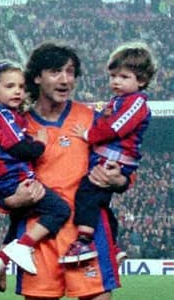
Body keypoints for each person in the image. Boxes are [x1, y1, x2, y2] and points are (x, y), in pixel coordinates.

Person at [4, 42, 129, 300]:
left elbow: (123, 168)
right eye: (56, 72)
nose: (65, 80)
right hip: (39, 234)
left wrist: (121, 180)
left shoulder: (92, 120)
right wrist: (7, 199)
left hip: (87, 232)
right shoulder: (17, 123)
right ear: (37, 77)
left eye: (71, 72)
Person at [0, 60, 71, 281]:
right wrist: (40, 144)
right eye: (9, 86)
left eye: (21, 87)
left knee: (19, 220)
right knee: (59, 210)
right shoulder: (2, 115)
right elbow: (19, 148)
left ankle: (0, 262)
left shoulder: (2, 115)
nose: (17, 91)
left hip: (2, 180)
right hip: (10, 178)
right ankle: (23, 246)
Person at [62, 42, 153, 265]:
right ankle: (114, 246)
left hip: (114, 158)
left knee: (87, 194)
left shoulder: (136, 103)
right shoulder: (118, 100)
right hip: (106, 156)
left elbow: (115, 127)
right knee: (101, 204)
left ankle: (83, 241)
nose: (116, 81)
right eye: (113, 76)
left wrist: (88, 135)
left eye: (123, 77)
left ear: (141, 80)